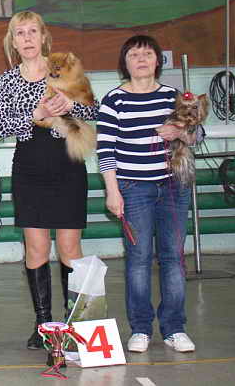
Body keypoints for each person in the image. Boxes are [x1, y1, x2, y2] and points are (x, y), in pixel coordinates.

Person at [0, 11, 99, 350]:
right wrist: (34, 115)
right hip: (29, 168)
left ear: (43, 37)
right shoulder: (7, 80)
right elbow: (0, 127)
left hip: (67, 164)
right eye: (19, 33)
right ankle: (43, 325)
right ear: (13, 41)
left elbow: (93, 110)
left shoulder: (66, 68)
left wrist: (71, 106)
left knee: (70, 248)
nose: (26, 38)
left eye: (32, 31)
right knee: (36, 249)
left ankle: (73, 323)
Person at [97, 35, 200, 353]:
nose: (141, 59)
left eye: (147, 54)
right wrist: (112, 191)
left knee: (173, 258)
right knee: (138, 259)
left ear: (158, 60)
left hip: (173, 188)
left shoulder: (173, 97)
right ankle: (140, 328)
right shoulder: (113, 100)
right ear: (124, 63)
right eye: (134, 55)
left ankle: (174, 328)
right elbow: (105, 150)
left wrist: (180, 132)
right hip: (134, 189)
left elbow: (198, 134)